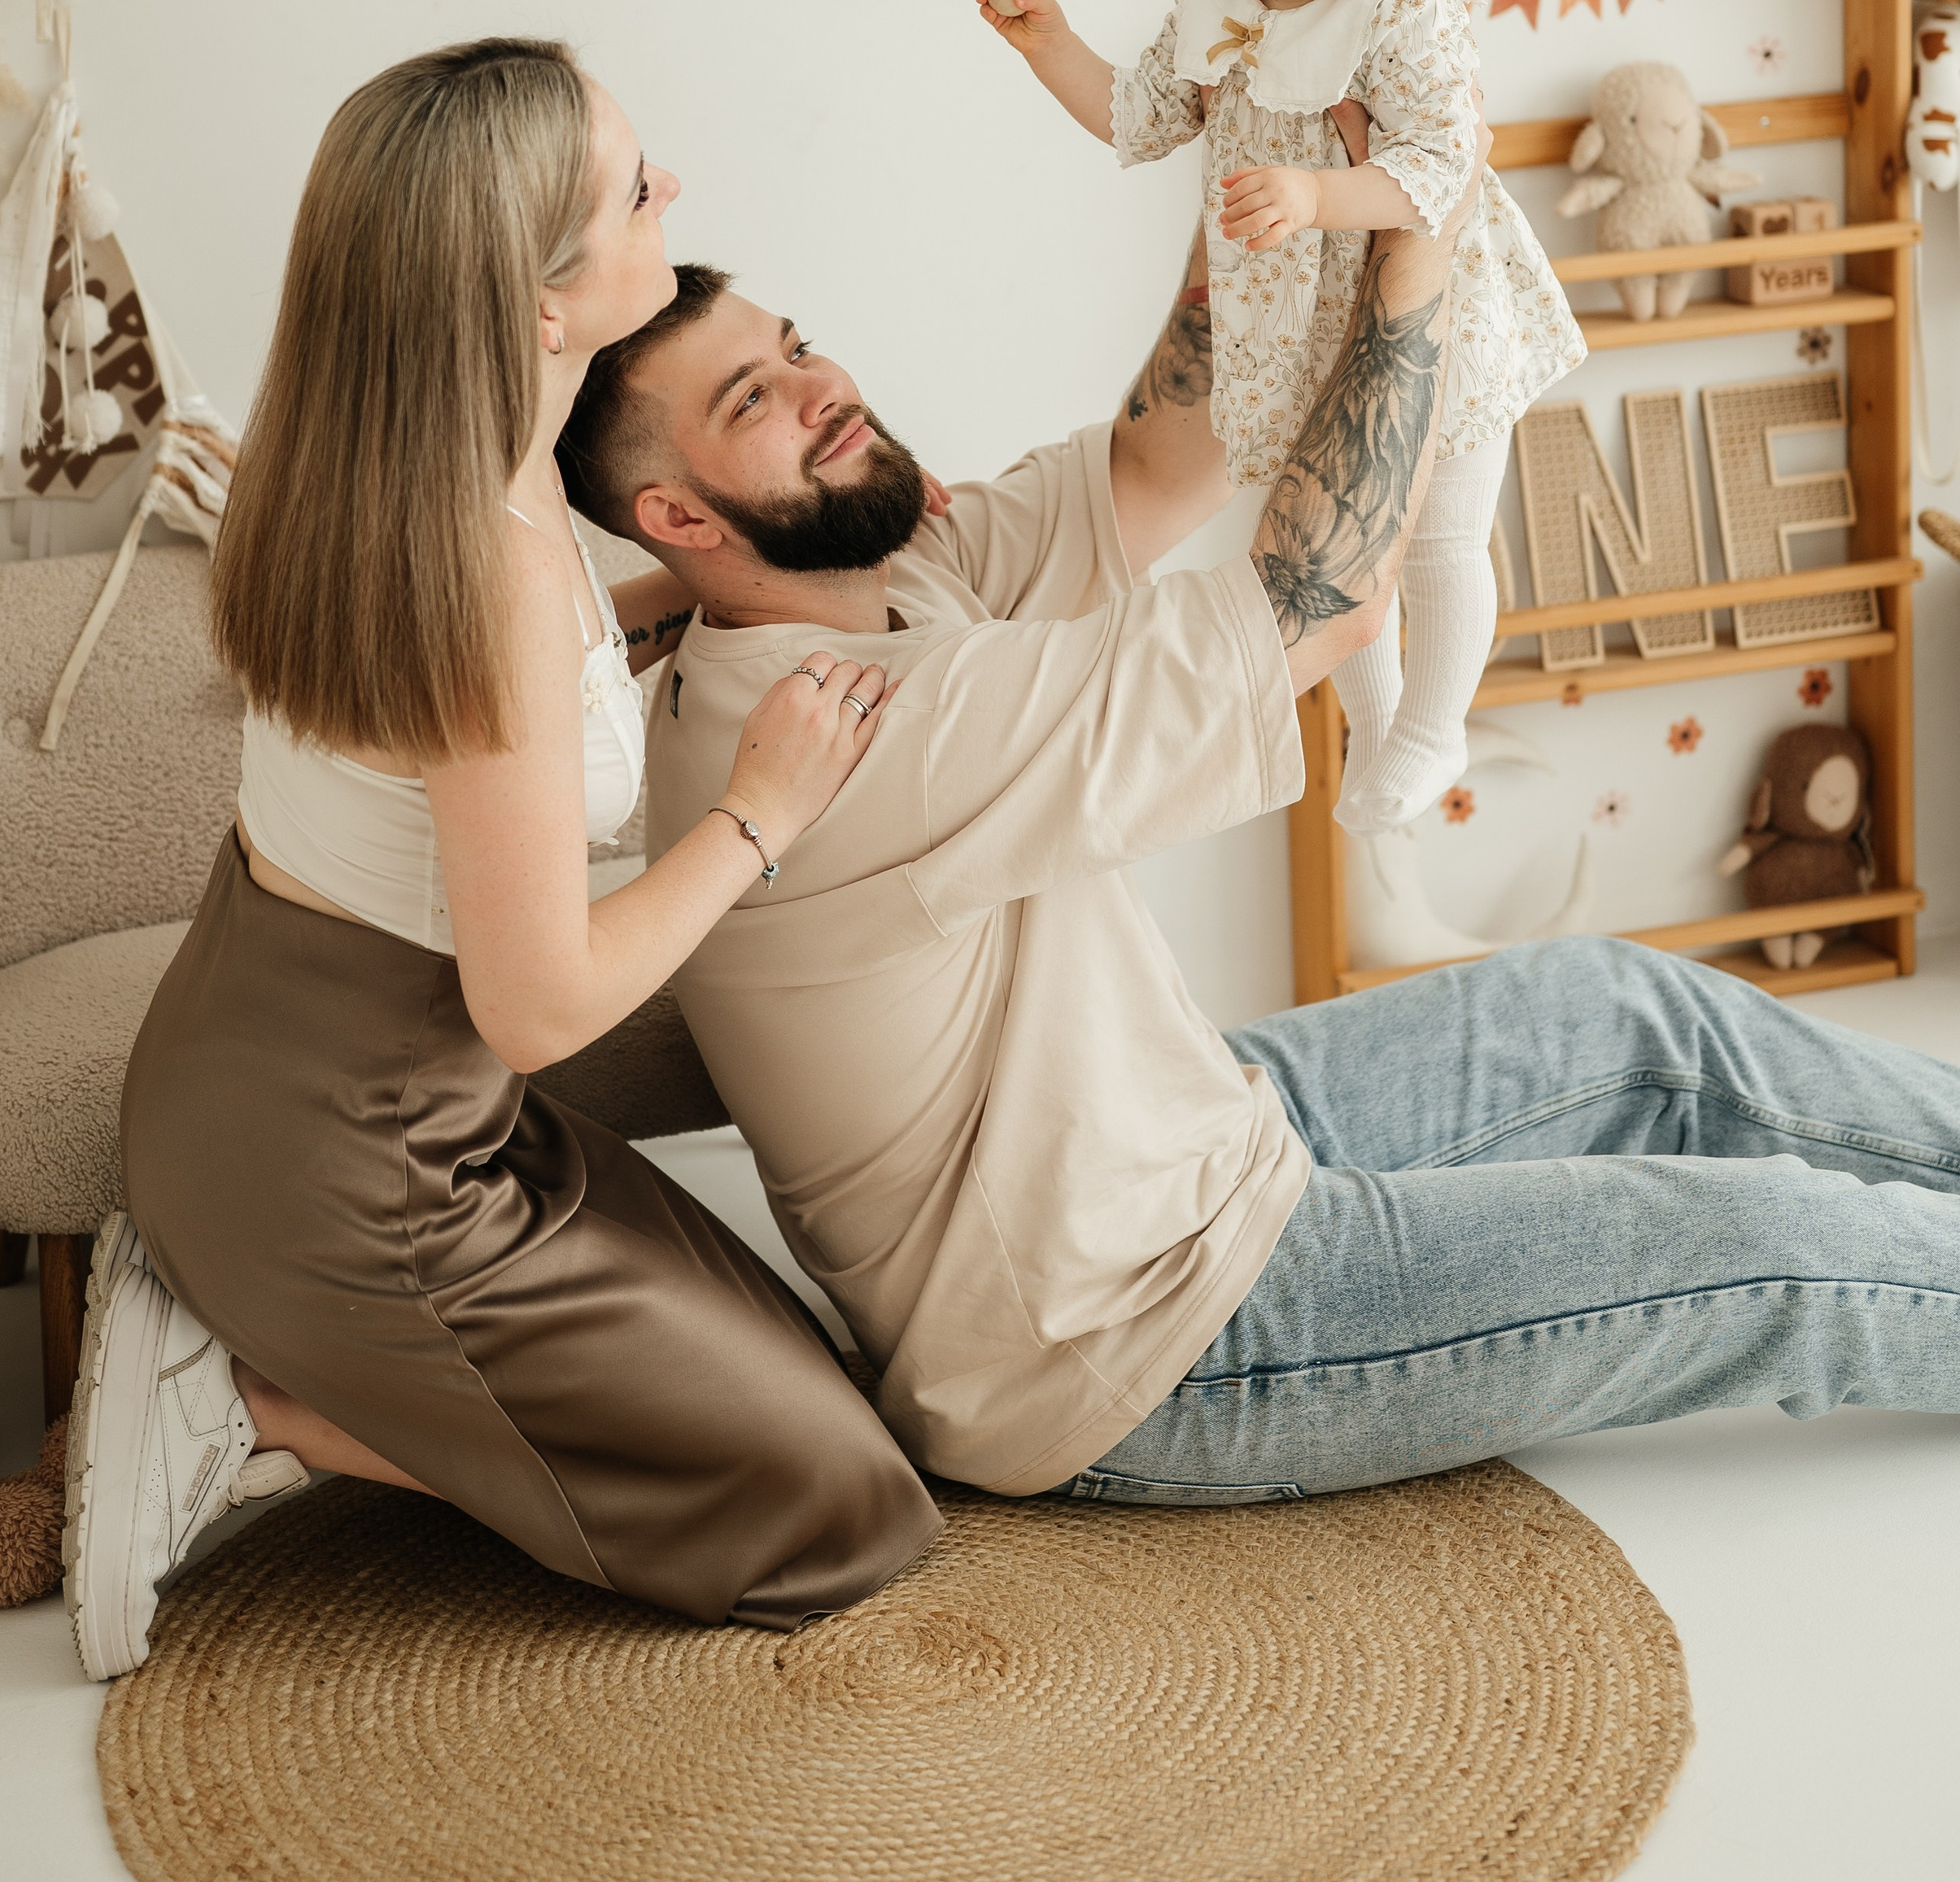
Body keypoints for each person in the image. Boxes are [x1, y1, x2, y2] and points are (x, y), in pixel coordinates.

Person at [557, 226, 1960, 1514]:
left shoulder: (887, 574)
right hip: (1135, 1335)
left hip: (1179, 1136)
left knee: (1626, 1010)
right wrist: (1413, 268)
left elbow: (1164, 457)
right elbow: (1320, 601)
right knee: (1768, 1249)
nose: (820, 387)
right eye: (752, 401)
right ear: (678, 519)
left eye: (794, 344)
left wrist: (1266, 85)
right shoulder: (842, 726)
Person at [65, 37, 941, 1684]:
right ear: (542, 303)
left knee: (816, 1374)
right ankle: (244, 1410)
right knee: (838, 1511)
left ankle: (236, 1328)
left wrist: (662, 603)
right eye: (630, 185)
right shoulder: (483, 569)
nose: (668, 188)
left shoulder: (395, 465)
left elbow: (464, 741)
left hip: (263, 1067)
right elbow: (540, 1005)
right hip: (365, 1160)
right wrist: (760, 810)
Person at [980, 0, 1583, 835]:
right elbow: (1138, 114)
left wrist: (1316, 198)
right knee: (1325, 555)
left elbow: (1443, 167)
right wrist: (1047, 42)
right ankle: (1375, 715)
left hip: (1438, 319)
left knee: (1445, 532)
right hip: (1290, 328)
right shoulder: (1218, 3)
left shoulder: (1410, 4)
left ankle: (1433, 726)